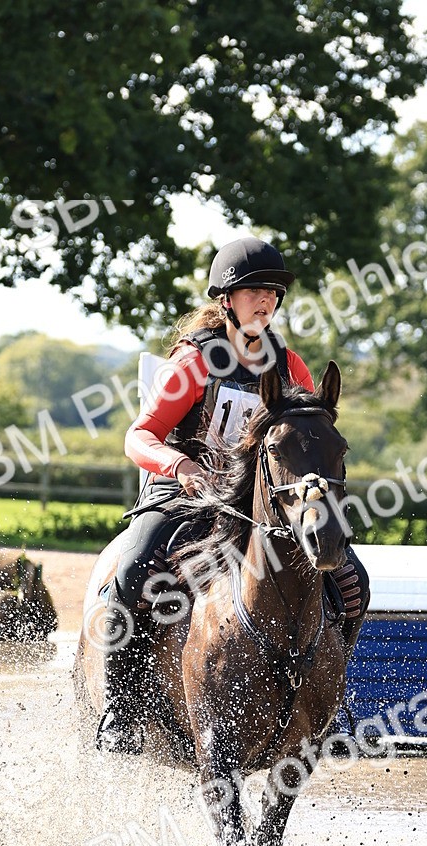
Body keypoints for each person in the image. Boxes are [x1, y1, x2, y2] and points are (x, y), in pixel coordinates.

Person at [96, 236, 369, 752]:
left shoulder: (290, 367)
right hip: (185, 494)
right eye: (253, 291)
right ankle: (120, 706)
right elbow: (139, 436)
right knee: (134, 567)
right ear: (227, 299)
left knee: (353, 582)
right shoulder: (196, 362)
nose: (265, 299)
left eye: (272, 291)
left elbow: (308, 438)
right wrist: (179, 465)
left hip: (260, 504)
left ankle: (329, 697)